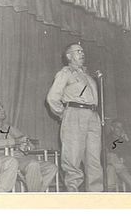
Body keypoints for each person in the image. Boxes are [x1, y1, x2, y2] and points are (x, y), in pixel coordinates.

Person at [47, 43, 103, 192]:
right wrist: (63, 114)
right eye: (78, 51)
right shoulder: (65, 73)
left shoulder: (88, 76)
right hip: (74, 113)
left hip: (92, 116)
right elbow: (52, 98)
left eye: (83, 51)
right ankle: (73, 195)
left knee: (94, 160)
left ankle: (96, 197)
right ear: (69, 56)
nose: (82, 53)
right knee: (72, 157)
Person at [0, 101, 57, 192]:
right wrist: (16, 142)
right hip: (6, 160)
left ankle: (36, 195)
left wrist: (26, 146)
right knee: (33, 165)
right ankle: (36, 198)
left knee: (51, 167)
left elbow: (26, 141)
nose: (3, 110)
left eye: (2, 107)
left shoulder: (9, 127)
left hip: (21, 158)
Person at [105, 119, 131, 191]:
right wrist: (120, 156)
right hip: (113, 163)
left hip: (122, 165)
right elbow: (110, 152)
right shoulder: (107, 139)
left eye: (121, 127)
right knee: (111, 157)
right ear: (112, 128)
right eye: (118, 127)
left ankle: (109, 193)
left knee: (111, 168)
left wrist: (127, 140)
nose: (120, 130)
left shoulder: (124, 139)